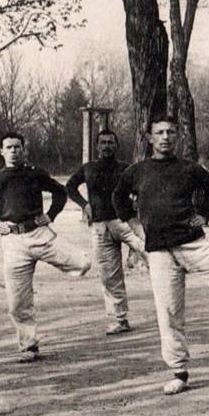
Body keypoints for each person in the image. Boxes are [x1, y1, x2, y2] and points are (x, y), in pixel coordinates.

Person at [113, 117, 209, 395]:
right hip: (159, 251)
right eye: (159, 133)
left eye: (170, 132)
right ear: (150, 138)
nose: (165, 137)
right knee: (169, 313)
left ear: (177, 137)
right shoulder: (137, 171)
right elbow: (118, 197)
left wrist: (203, 216)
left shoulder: (189, 168)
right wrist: (135, 226)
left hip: (192, 244)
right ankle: (179, 372)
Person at [0, 132, 92, 363]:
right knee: (18, 302)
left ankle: (67, 286)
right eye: (9, 147)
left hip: (40, 234)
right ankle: (28, 345)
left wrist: (50, 215)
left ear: (24, 149)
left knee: (83, 262)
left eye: (18, 147)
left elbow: (60, 192)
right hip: (13, 241)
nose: (14, 151)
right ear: (1, 151)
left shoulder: (35, 173)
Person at [66, 130, 148, 337]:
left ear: (116, 146)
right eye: (102, 143)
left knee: (155, 254)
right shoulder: (88, 168)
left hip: (126, 223)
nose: (106, 146)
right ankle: (119, 319)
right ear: (97, 146)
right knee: (109, 275)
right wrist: (84, 205)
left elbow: (142, 188)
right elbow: (70, 186)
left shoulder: (125, 168)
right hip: (100, 226)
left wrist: (136, 205)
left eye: (110, 143)